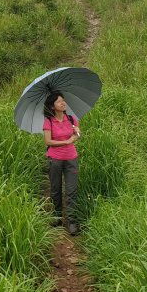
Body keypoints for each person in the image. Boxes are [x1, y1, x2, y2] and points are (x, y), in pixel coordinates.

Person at [43, 91, 81, 235]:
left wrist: (77, 132)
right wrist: (66, 141)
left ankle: (72, 221)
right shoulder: (48, 121)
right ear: (53, 106)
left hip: (71, 158)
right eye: (59, 101)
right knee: (55, 189)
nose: (63, 103)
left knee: (71, 190)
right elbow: (47, 141)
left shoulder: (71, 119)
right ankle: (57, 217)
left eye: (63, 101)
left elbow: (77, 135)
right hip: (55, 159)